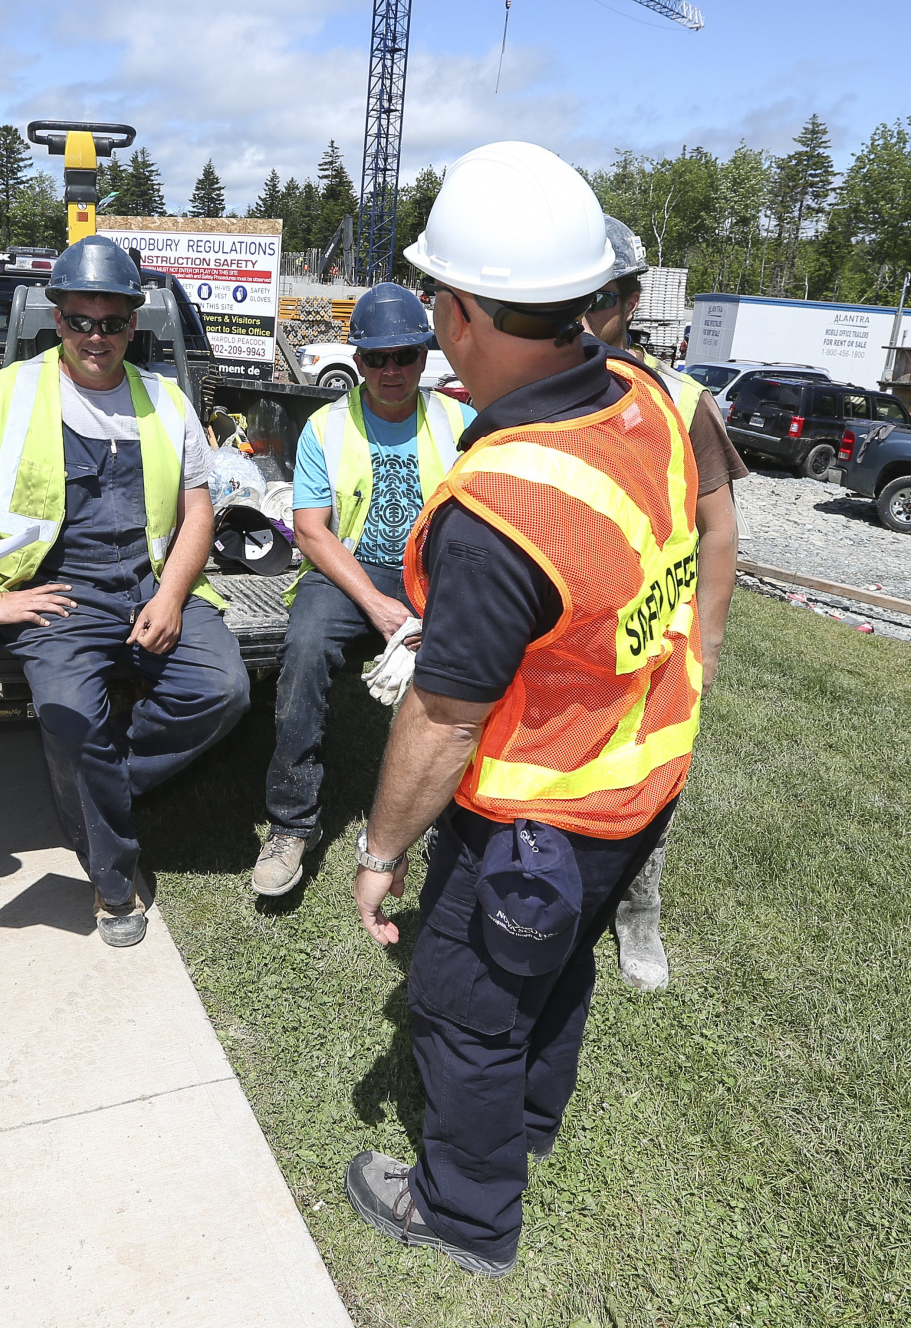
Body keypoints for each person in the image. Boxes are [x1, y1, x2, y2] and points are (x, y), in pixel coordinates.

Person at [343, 142, 706, 1276]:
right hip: (637, 782)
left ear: (455, 314)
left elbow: (443, 719)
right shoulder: (644, 397)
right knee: (555, 969)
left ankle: (463, 1208)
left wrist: (380, 849)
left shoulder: (505, 507)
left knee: (463, 1010)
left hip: (537, 813)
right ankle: (530, 1123)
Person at [0, 235, 249, 947]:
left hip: (148, 583)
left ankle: (97, 783)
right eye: (81, 321)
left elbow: (199, 509)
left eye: (111, 323)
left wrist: (170, 597)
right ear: (58, 319)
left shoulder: (166, 400)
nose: (96, 337)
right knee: (71, 717)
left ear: (134, 323)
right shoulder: (10, 392)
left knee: (222, 690)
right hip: (58, 592)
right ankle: (113, 887)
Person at [251, 284, 475, 896]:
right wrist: (377, 607)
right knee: (305, 648)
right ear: (358, 361)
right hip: (349, 569)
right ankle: (292, 822)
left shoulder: (462, 422)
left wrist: (447, 598)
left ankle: (453, 812)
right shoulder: (326, 426)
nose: (391, 370)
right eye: (376, 358)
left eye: (403, 355)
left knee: (477, 658)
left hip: (436, 570)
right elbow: (310, 533)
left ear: (425, 356)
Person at [583, 215, 748, 991]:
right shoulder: (540, 395)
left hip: (657, 639)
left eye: (603, 299)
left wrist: (706, 645)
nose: (587, 318)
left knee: (653, 780)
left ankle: (638, 915)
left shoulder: (682, 405)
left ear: (631, 299)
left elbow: (718, 529)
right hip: (567, 641)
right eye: (573, 297)